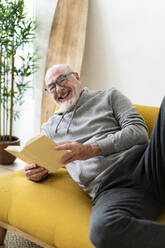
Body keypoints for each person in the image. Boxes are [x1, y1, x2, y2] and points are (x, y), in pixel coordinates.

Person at [24, 64, 165, 248]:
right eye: (51, 87)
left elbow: (138, 132)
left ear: (76, 76)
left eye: (62, 80)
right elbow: (45, 161)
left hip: (146, 164)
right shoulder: (50, 129)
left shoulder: (109, 96)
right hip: (111, 189)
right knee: (103, 230)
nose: (58, 89)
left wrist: (91, 149)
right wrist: (37, 172)